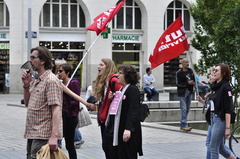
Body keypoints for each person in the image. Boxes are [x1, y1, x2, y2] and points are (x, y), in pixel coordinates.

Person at [21, 46, 63, 159]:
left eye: (33, 58)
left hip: (44, 134)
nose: (30, 60)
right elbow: (27, 103)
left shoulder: (51, 80)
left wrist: (54, 136)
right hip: (33, 132)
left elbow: (56, 109)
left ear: (43, 60)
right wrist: (26, 85)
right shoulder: (36, 80)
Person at [106, 65, 143, 159]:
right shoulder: (121, 89)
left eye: (120, 73)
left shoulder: (132, 89)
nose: (117, 75)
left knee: (128, 154)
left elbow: (133, 110)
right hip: (119, 128)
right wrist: (113, 98)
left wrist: (128, 129)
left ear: (127, 76)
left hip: (127, 129)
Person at [197, 68, 235, 159]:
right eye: (213, 71)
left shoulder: (225, 87)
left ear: (223, 73)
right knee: (220, 148)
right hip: (213, 118)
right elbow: (214, 105)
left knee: (213, 147)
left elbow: (227, 109)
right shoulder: (216, 87)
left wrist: (227, 128)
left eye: (216, 71)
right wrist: (204, 100)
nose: (213, 73)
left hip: (220, 120)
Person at [94, 58, 122, 159]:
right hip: (104, 120)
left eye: (101, 65)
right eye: (99, 64)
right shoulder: (104, 82)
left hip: (110, 120)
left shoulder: (114, 80)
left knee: (109, 148)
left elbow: (123, 97)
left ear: (108, 67)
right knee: (106, 147)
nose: (98, 67)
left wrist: (114, 96)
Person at [57, 63, 82, 158]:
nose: (58, 73)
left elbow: (76, 100)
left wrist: (65, 104)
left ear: (67, 72)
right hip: (62, 115)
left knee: (69, 143)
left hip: (70, 116)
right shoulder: (61, 83)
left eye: (61, 71)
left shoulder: (73, 83)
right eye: (58, 71)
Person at [176, 58, 195, 131]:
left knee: (187, 108)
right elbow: (178, 84)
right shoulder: (179, 73)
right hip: (182, 92)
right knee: (183, 108)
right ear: (182, 63)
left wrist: (193, 83)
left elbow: (193, 79)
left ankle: (183, 122)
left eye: (188, 62)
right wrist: (187, 83)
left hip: (189, 91)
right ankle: (184, 124)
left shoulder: (190, 71)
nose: (187, 63)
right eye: (186, 62)